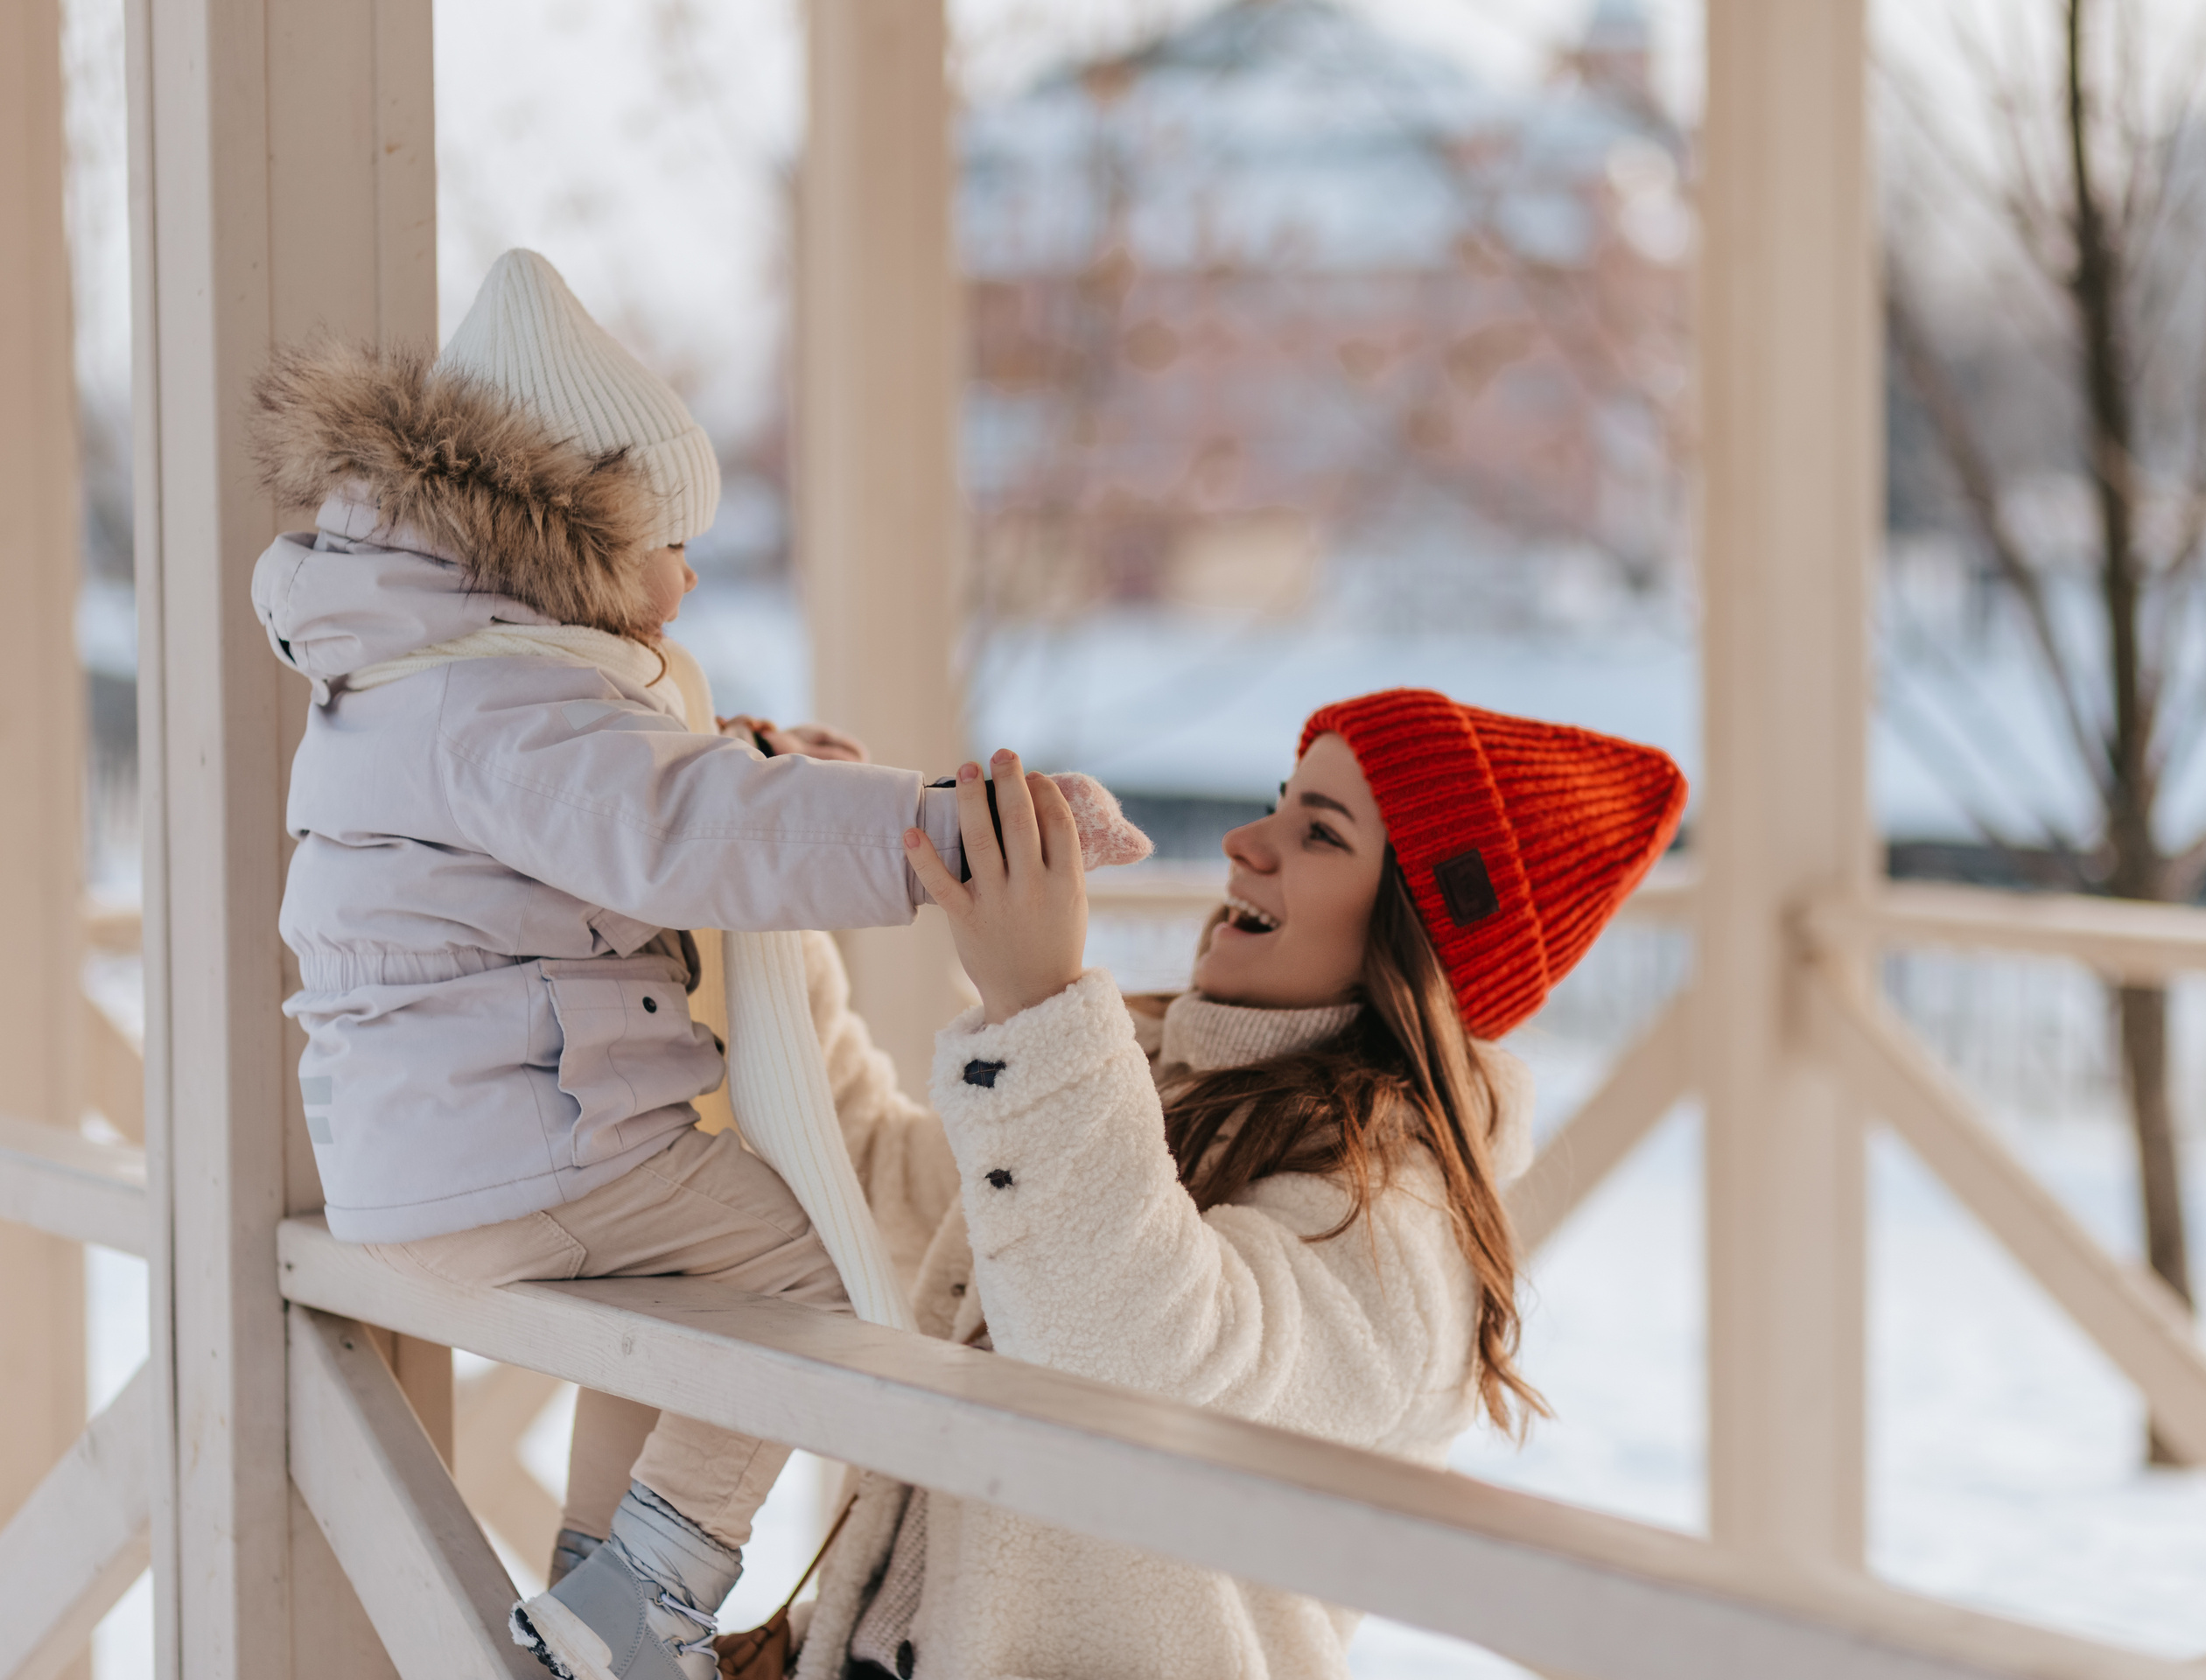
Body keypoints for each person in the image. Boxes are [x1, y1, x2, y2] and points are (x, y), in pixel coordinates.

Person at [246, 248, 1143, 1680]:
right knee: (804, 1280)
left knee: (677, 1315)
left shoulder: (422, 678)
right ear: (570, 545)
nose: (689, 573)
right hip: (529, 1143)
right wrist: (939, 832)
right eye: (667, 539)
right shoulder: (508, 700)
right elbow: (673, 828)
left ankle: (596, 1605)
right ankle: (637, 1607)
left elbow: (606, 819)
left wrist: (755, 764)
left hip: (427, 1150)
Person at [570, 686, 1678, 1680]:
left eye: (1317, 834)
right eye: (1277, 803)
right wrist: (775, 893)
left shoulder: (1393, 1222)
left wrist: (1042, 1006)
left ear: (1415, 939)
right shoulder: (1138, 1087)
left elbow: (1140, 1352)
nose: (1247, 844)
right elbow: (865, 1180)